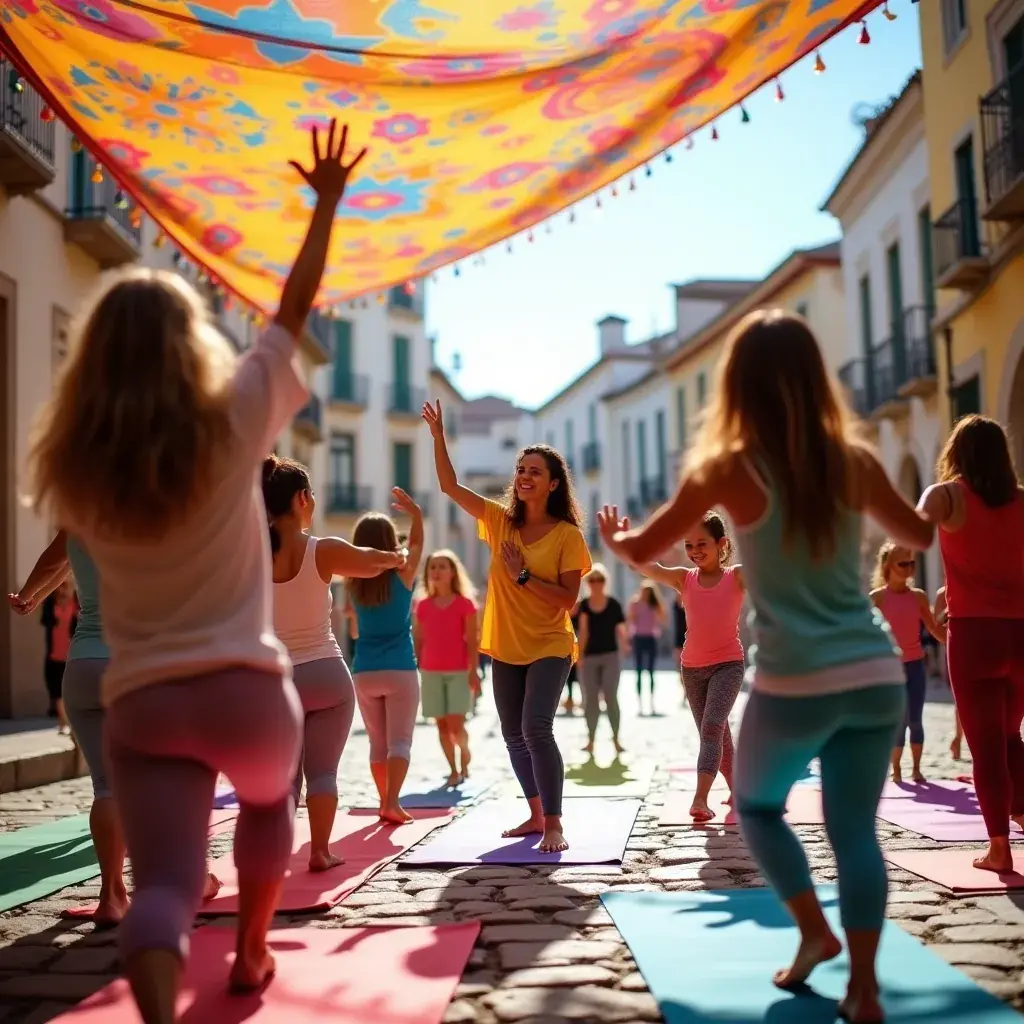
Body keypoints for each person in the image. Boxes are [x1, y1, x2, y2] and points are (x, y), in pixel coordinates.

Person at [24, 120, 366, 1022]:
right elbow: (289, 315)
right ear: (190, 347)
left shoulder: (79, 470)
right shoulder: (234, 424)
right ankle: (252, 952)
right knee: (264, 809)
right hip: (248, 688)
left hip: (142, 701)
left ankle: (160, 992)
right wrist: (323, 202)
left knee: (167, 888)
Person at [598, 309, 933, 1022]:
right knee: (855, 834)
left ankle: (813, 929)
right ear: (814, 379)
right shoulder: (854, 460)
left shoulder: (726, 466)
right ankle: (865, 990)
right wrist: (943, 490)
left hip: (795, 678)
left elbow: (640, 549)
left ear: (738, 386)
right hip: (874, 671)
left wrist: (618, 536)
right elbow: (921, 533)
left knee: (754, 806)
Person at [424, 400, 591, 854]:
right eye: (521, 468)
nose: (524, 475)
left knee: (537, 727)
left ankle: (554, 822)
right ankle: (535, 812)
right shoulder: (500, 522)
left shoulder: (567, 536)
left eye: (535, 470)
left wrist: (523, 575)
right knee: (513, 732)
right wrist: (439, 438)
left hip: (550, 643)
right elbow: (448, 485)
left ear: (553, 484)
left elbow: (567, 600)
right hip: (506, 644)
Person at [262, 455, 403, 869]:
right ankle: (321, 852)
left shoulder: (250, 552)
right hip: (326, 674)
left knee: (284, 780)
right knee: (323, 773)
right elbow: (371, 559)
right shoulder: (321, 550)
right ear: (303, 498)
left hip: (276, 681)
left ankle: (275, 853)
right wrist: (397, 557)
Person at [918, 414, 1024, 874]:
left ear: (955, 455)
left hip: (975, 636)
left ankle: (999, 848)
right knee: (1010, 735)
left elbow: (914, 528)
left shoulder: (947, 495)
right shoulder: (1021, 501)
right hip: (1021, 634)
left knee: (986, 747)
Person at [616, 511, 747, 820]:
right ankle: (739, 789)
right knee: (716, 733)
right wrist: (625, 545)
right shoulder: (684, 578)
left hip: (728, 664)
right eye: (689, 545)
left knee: (713, 727)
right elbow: (646, 567)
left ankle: (700, 799)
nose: (695, 551)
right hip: (693, 669)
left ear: (722, 544)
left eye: (702, 543)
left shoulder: (736, 576)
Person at [347, 492, 424, 824]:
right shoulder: (402, 575)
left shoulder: (352, 583)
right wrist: (417, 516)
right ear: (390, 541)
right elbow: (418, 546)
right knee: (400, 742)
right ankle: (392, 801)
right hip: (400, 668)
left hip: (364, 670)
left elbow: (352, 632)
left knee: (377, 745)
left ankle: (383, 801)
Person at [869, 542, 945, 784]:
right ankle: (897, 770)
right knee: (898, 721)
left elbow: (935, 629)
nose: (909, 568)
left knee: (915, 718)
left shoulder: (919, 597)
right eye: (904, 563)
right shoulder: (877, 598)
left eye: (912, 563)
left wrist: (956, 641)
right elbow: (864, 633)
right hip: (890, 670)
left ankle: (916, 769)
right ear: (888, 566)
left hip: (915, 665)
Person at [414, 549, 479, 786]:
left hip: (459, 671)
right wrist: (416, 667)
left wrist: (474, 671)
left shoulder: (465, 604)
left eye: (442, 566)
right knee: (441, 725)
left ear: (453, 572)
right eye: (433, 567)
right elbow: (418, 640)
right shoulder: (422, 605)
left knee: (456, 724)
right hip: (430, 672)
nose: (437, 571)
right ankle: (453, 769)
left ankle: (464, 754)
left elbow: (473, 640)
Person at [577, 564, 628, 755]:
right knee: (590, 700)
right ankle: (590, 740)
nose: (596, 584)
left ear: (605, 582)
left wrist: (625, 645)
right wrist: (579, 656)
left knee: (610, 697)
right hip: (590, 657)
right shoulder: (584, 605)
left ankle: (616, 739)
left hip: (610, 656)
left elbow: (621, 629)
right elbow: (583, 632)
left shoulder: (613, 604)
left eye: (599, 580)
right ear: (588, 583)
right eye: (592, 580)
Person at [40, 579, 77, 734]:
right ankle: (63, 723)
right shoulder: (50, 604)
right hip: (54, 654)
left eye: (65, 586)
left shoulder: (76, 603)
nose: (63, 589)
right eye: (60, 586)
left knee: (70, 691)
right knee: (56, 690)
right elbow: (44, 621)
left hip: (72, 655)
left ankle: (70, 722)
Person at [933, 586, 964, 760]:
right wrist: (953, 643)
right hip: (957, 653)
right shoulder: (941, 593)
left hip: (981, 650)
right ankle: (958, 739)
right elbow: (935, 626)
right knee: (960, 700)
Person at [628, 579, 664, 716]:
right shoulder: (635, 603)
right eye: (644, 591)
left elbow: (662, 618)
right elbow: (630, 620)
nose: (645, 594)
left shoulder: (654, 604)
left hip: (651, 638)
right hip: (638, 638)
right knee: (638, 671)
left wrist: (656, 605)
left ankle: (652, 703)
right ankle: (640, 704)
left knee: (650, 671)